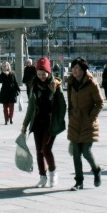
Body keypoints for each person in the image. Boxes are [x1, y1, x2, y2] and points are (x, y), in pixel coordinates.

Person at [21, 56, 67, 189]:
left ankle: (53, 173)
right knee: (39, 152)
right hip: (37, 122)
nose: (42, 76)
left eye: (44, 74)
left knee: (46, 149)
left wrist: (59, 119)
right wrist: (25, 124)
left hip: (50, 122)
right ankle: (42, 177)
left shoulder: (55, 85)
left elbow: (62, 106)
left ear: (49, 72)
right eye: (39, 74)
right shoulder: (34, 85)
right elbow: (31, 107)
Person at [65, 58, 103, 191]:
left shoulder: (92, 84)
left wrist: (91, 116)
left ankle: (96, 170)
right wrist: (69, 116)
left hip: (88, 122)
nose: (74, 71)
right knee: (76, 154)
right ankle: (79, 182)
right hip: (75, 121)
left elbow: (100, 103)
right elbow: (70, 102)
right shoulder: (70, 82)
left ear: (83, 69)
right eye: (73, 68)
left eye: (77, 68)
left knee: (86, 151)